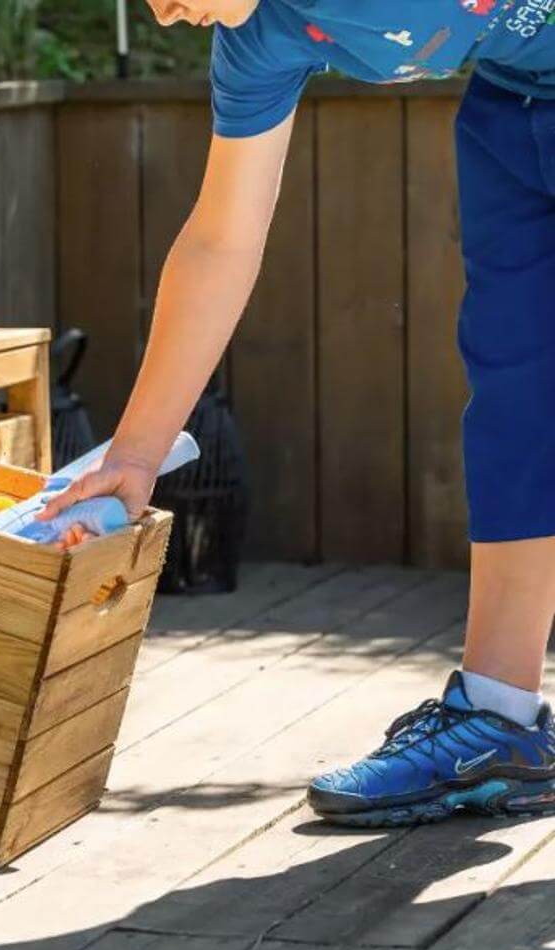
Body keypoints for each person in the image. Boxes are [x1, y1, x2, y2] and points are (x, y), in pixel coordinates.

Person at [39, 0, 555, 825]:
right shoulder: (256, 40)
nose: (162, 13)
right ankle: (500, 716)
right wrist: (134, 456)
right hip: (520, 105)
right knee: (515, 393)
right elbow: (221, 240)